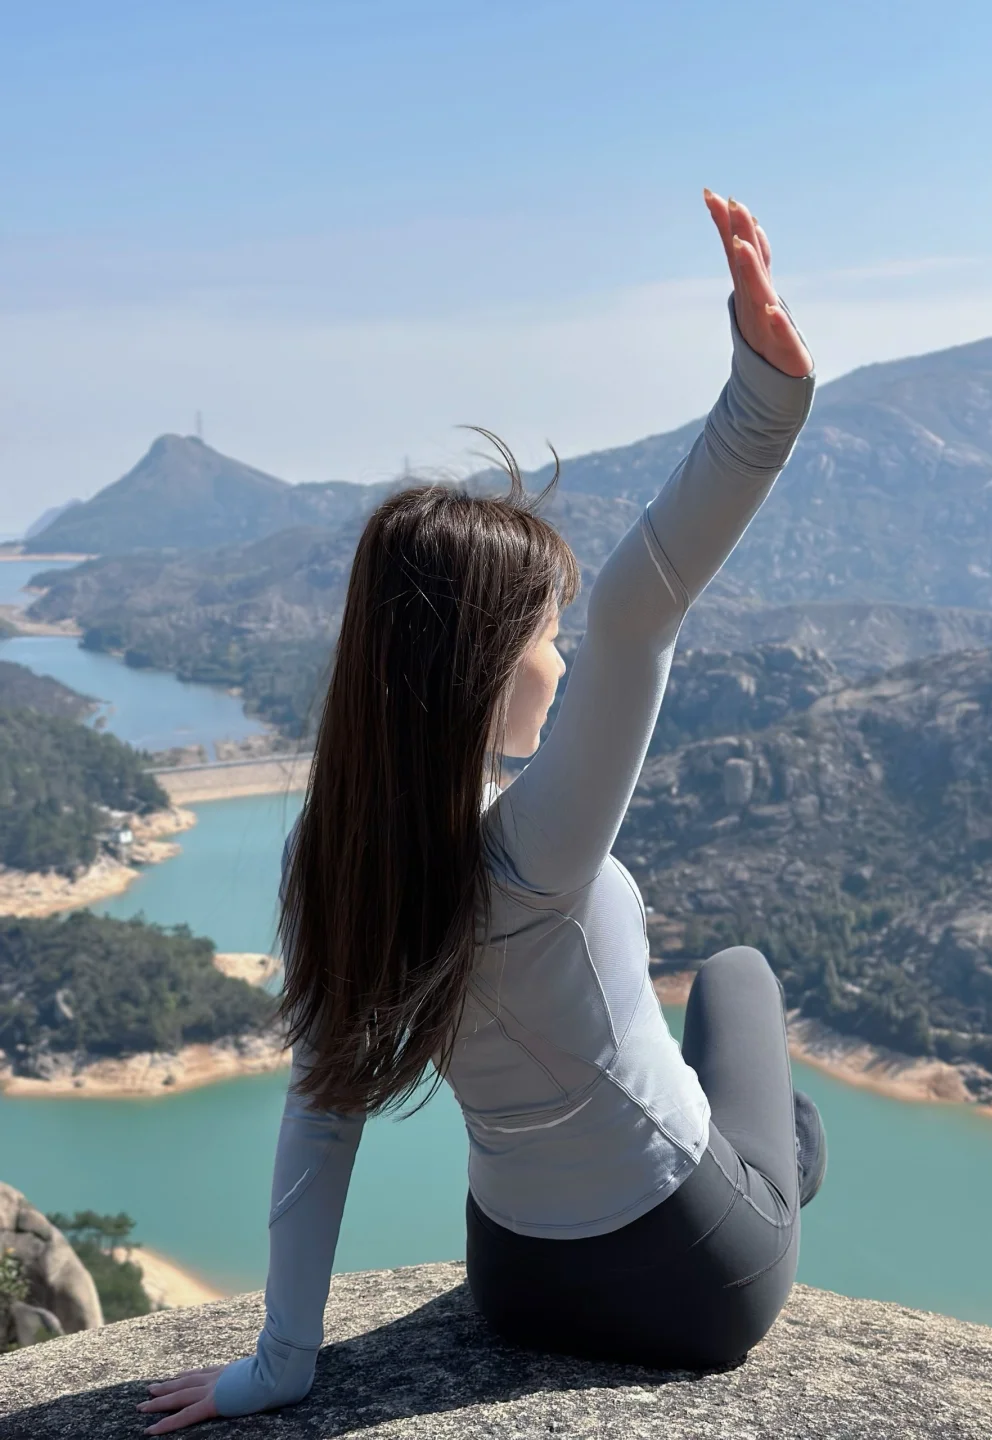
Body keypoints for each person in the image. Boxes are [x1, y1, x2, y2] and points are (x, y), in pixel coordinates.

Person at [136, 187, 826, 1435]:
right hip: (690, 1279)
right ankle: (789, 1174)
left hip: (515, 1280)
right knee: (738, 978)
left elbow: (321, 1115)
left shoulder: (341, 857)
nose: (561, 663)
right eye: (545, 637)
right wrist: (764, 404)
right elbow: (640, 614)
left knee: (742, 1098)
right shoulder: (539, 849)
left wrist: (283, 1361)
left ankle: (781, 1161)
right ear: (493, 662)